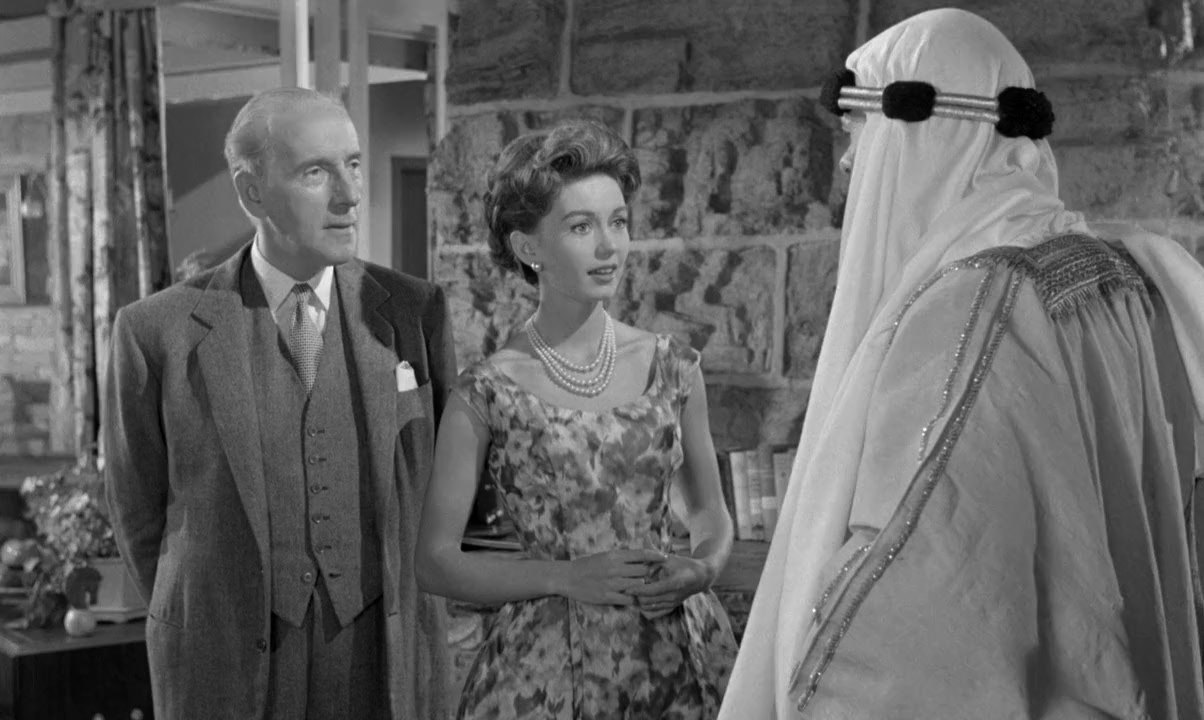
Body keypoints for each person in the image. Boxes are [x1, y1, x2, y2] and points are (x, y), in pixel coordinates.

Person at [720, 8, 1204, 719]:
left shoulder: (976, 302)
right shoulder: (1121, 275)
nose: (849, 162)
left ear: (926, 136)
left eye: (859, 131)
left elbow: (925, 581)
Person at [103, 86, 457, 719]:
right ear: (252, 193)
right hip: (224, 663)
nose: (350, 194)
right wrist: (211, 610)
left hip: (383, 660)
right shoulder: (155, 331)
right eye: (316, 172)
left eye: (353, 164)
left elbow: (441, 500)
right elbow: (139, 516)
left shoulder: (414, 312)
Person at [415, 119, 738, 719]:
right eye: (581, 227)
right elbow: (435, 562)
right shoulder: (486, 393)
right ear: (528, 248)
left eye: (618, 221)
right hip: (546, 672)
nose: (610, 246)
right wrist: (565, 577)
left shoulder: (674, 367)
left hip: (678, 658)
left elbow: (710, 515)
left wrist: (700, 569)